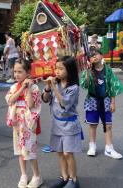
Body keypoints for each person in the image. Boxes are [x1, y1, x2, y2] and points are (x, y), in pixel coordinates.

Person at [42, 56, 82, 188]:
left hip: (69, 125)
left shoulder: (74, 87)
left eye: (60, 68)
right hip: (57, 124)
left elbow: (64, 103)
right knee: (59, 152)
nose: (57, 71)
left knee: (68, 153)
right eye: (56, 68)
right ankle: (64, 177)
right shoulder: (56, 83)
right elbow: (45, 99)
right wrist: (48, 88)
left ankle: (74, 179)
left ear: (69, 70)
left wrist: (53, 87)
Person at [80, 49, 123, 159]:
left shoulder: (108, 70)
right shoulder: (88, 71)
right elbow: (84, 85)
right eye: (91, 56)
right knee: (92, 124)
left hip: (105, 100)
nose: (94, 57)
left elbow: (113, 86)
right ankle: (92, 146)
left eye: (96, 54)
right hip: (92, 100)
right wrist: (87, 72)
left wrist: (113, 102)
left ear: (101, 55)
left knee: (108, 125)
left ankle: (109, 148)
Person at [5, 59, 43, 188]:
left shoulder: (34, 87)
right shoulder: (13, 87)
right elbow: (10, 100)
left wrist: (27, 88)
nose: (16, 74)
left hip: (28, 124)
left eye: (20, 72)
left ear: (28, 73)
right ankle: (23, 175)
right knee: (20, 150)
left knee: (30, 150)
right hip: (18, 123)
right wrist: (21, 88)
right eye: (15, 71)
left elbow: (31, 104)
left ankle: (37, 176)